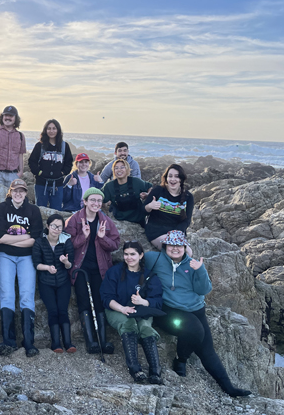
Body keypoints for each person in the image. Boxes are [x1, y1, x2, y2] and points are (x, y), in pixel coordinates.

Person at [146, 231, 252, 397]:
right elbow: (132, 258)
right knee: (195, 330)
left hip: (196, 308)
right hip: (169, 310)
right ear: (165, 246)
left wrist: (200, 270)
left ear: (185, 247)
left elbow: (204, 290)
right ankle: (181, 360)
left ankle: (228, 388)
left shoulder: (193, 264)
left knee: (207, 350)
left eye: (179, 245)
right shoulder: (155, 259)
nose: (175, 248)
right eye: (171, 245)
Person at [65, 188, 120, 354]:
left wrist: (102, 238)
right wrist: (84, 236)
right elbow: (67, 245)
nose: (96, 203)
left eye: (99, 201)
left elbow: (115, 245)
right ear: (85, 201)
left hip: (100, 268)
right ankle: (91, 342)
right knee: (84, 301)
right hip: (80, 268)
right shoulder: (74, 220)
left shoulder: (106, 221)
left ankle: (102, 340)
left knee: (99, 301)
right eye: (93, 200)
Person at [100, 241, 163, 384]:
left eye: (133, 254)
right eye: (126, 254)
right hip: (117, 309)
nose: (129, 258)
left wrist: (143, 302)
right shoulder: (114, 272)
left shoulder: (150, 276)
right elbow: (106, 297)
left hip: (142, 310)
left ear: (141, 255)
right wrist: (122, 309)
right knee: (128, 324)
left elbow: (158, 301)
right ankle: (135, 369)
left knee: (146, 328)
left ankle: (155, 371)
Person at [0, 178, 43, 357]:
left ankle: (29, 342)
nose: (18, 193)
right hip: (4, 256)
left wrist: (13, 239)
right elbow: (0, 238)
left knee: (27, 296)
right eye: (15, 190)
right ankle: (9, 341)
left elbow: (35, 239)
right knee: (7, 295)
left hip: (27, 258)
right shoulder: (1, 208)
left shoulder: (33, 210)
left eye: (22, 190)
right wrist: (25, 238)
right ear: (10, 192)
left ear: (26, 193)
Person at [32, 214, 76, 353]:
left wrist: (65, 262)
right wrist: (47, 267)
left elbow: (70, 265)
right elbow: (36, 264)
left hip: (63, 281)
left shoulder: (66, 241)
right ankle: (56, 343)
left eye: (59, 227)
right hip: (46, 281)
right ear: (48, 226)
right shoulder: (40, 242)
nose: (56, 229)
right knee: (53, 311)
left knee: (63, 311)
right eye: (54, 226)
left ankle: (68, 342)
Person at [144, 164, 194, 250]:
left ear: (181, 179)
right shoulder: (158, 191)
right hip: (156, 231)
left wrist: (176, 233)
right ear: (166, 178)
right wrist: (149, 206)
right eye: (170, 176)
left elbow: (187, 220)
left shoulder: (188, 197)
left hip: (176, 232)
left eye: (176, 176)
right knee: (172, 249)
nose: (173, 179)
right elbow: (142, 210)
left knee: (188, 253)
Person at [28, 119, 73, 210]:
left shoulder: (64, 146)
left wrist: (62, 173)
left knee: (56, 211)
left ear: (58, 130)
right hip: (41, 184)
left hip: (57, 185)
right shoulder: (40, 146)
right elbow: (32, 162)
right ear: (45, 130)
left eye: (54, 128)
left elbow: (69, 162)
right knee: (40, 210)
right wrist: (39, 172)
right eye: (49, 128)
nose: (51, 131)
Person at [102, 159, 153, 226]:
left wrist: (147, 195)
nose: (119, 169)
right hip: (119, 221)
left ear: (127, 169)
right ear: (114, 171)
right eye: (116, 168)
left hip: (138, 221)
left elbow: (150, 187)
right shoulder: (109, 186)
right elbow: (100, 198)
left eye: (122, 167)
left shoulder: (136, 182)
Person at [0, 106, 27, 188]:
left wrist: (21, 172)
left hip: (13, 175)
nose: (8, 118)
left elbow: (20, 154)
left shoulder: (20, 136)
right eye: (6, 115)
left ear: (15, 118)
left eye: (11, 116)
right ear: (2, 117)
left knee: (13, 200)